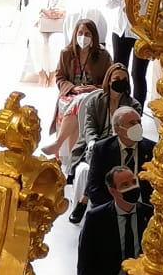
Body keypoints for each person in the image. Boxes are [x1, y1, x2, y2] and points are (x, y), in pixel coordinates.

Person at [42, 20, 112, 166]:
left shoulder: (103, 55)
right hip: (71, 94)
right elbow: (60, 77)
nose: (83, 37)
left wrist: (93, 88)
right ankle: (72, 161)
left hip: (93, 95)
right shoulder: (66, 53)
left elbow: (109, 80)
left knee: (82, 101)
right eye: (80, 33)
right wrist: (72, 88)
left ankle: (59, 143)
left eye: (87, 34)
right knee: (79, 108)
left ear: (93, 36)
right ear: (75, 34)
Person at [83, 106, 154, 211]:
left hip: (144, 207)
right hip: (111, 207)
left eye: (139, 122)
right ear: (117, 128)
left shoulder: (152, 149)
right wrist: (115, 208)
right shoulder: (102, 149)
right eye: (132, 123)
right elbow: (94, 187)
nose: (137, 126)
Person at [26, 0, 70, 84]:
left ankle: (53, 73)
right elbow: (33, 0)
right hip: (42, 21)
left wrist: (63, 11)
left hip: (59, 24)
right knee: (35, 38)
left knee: (56, 41)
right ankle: (41, 73)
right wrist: (44, 10)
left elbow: (74, 4)